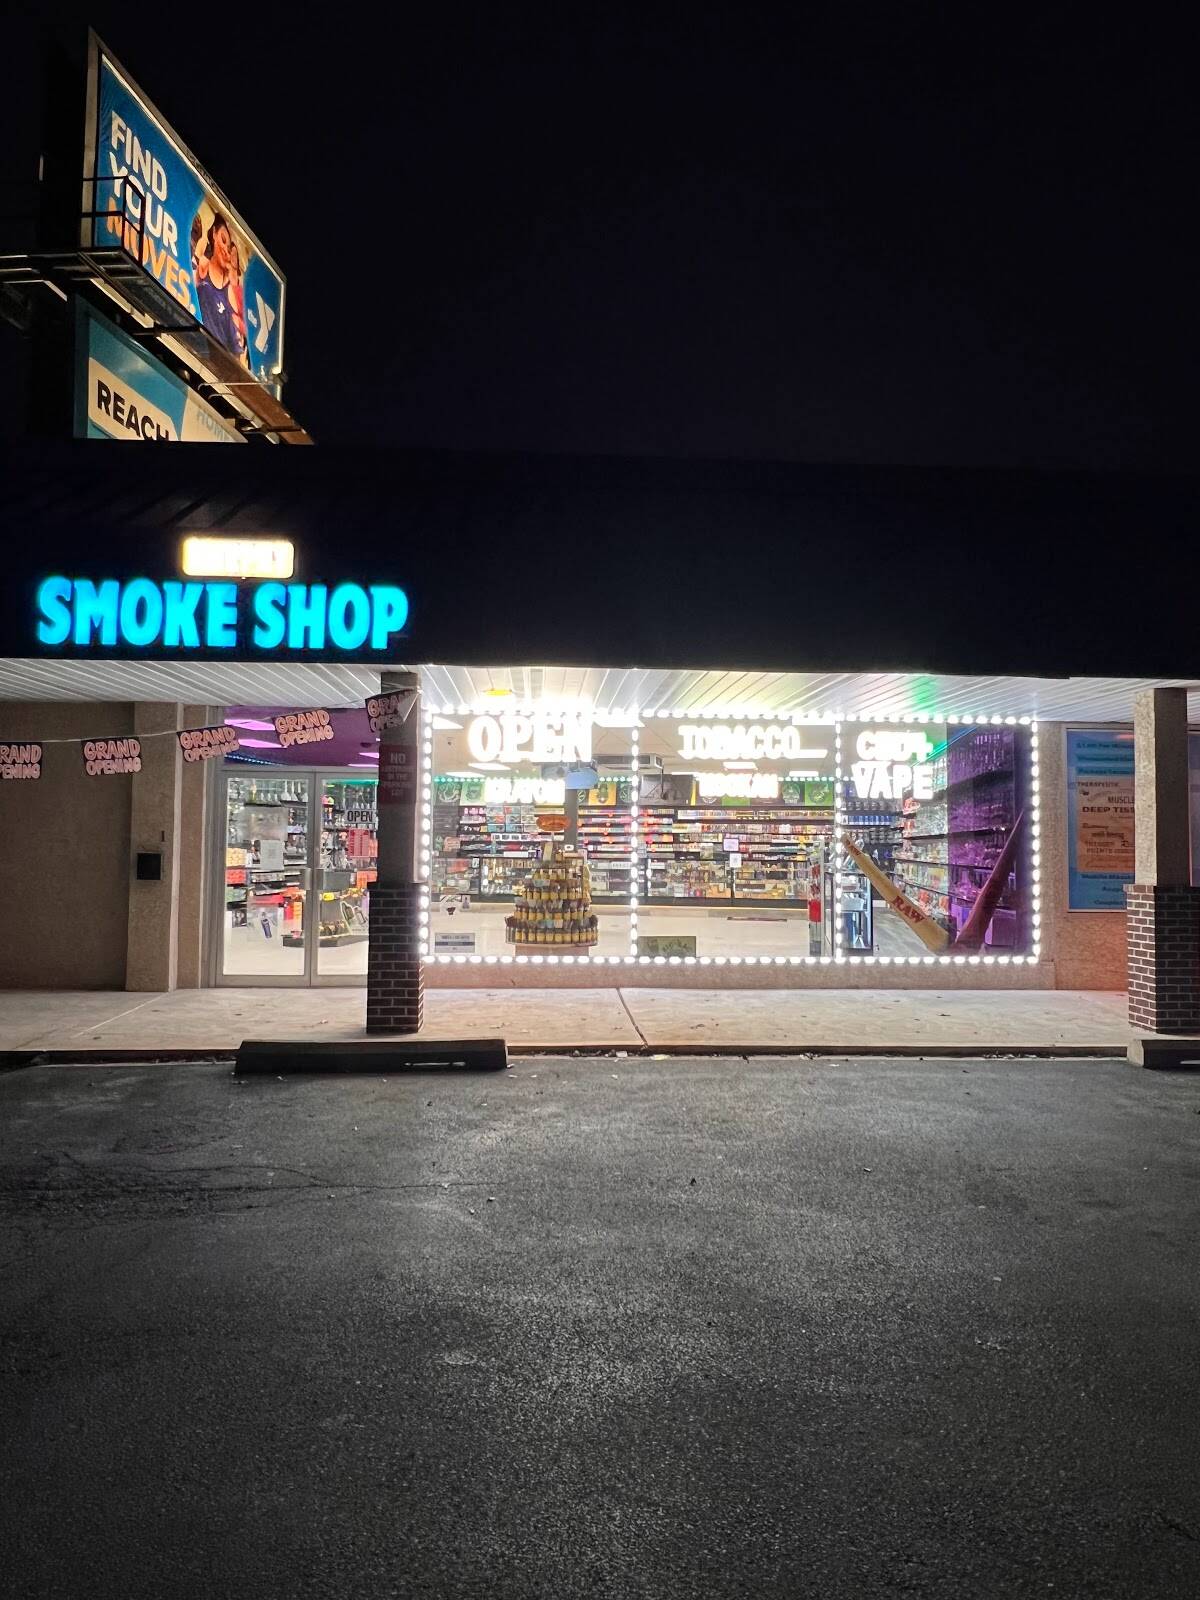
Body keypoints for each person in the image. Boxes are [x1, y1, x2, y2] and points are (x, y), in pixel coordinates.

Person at [195, 213, 247, 361]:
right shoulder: (201, 267)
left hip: (213, 364)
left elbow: (237, 354)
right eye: (223, 240)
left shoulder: (231, 295)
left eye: (229, 248)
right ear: (214, 234)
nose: (226, 250)